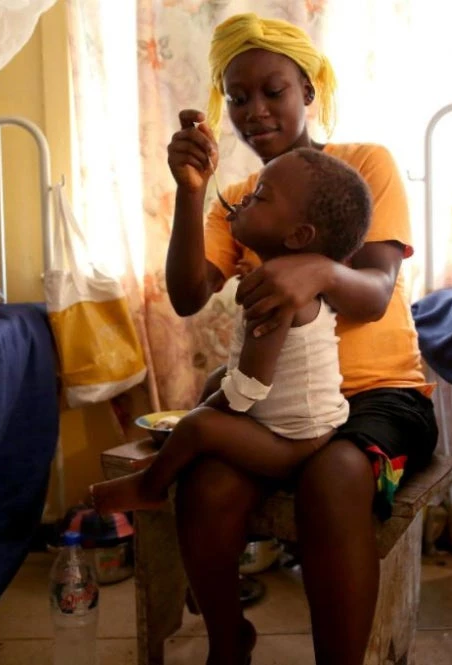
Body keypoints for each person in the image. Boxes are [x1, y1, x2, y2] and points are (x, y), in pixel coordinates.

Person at [162, 12, 438, 665]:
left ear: (308, 91)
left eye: (273, 90)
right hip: (276, 404)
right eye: (237, 96)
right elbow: (187, 293)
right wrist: (188, 195)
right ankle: (229, 641)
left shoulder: (363, 165)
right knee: (208, 485)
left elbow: (374, 292)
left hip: (380, 394)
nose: (254, 109)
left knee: (335, 472)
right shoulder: (240, 200)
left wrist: (318, 268)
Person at [90, 148, 371, 515]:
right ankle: (170, 462)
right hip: (290, 429)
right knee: (214, 381)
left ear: (298, 236)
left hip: (298, 445)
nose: (242, 199)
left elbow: (248, 390)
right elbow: (242, 378)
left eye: (260, 197)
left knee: (199, 427)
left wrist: (198, 418)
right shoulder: (276, 284)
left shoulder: (279, 298)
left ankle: (150, 487)